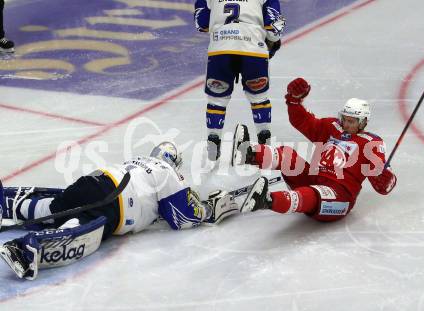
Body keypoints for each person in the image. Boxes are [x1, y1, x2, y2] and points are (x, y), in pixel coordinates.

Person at [0, 142, 239, 280]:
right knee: (81, 227)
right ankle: (27, 248)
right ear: (174, 162)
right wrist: (208, 209)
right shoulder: (167, 172)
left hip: (93, 180)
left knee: (55, 207)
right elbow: (183, 216)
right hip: (116, 202)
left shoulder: (138, 161)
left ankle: (10, 205)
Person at [232, 77, 397, 220]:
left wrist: (385, 178)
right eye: (344, 119)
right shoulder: (333, 127)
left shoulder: (371, 142)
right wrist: (294, 101)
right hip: (314, 178)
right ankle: (248, 153)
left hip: (339, 195)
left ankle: (267, 200)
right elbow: (303, 121)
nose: (345, 124)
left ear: (363, 122)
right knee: (288, 155)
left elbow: (383, 184)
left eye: (351, 121)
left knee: (313, 194)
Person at [194, 0, 285, 160]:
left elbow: (201, 23)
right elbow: (273, 27)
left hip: (220, 48)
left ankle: (213, 142)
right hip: (253, 49)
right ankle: (265, 146)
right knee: (259, 98)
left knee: (217, 100)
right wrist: (272, 40)